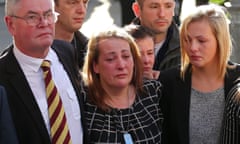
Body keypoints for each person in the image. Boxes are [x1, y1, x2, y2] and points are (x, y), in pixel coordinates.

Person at [1, 0, 88, 143]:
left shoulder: (67, 52)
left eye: (49, 15)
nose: (44, 23)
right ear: (11, 24)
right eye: (32, 17)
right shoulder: (3, 76)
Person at [159, 4, 240, 144]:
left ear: (220, 40)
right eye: (187, 40)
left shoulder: (237, 80)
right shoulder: (168, 81)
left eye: (201, 41)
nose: (192, 48)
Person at [82, 26, 163, 143]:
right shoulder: (84, 101)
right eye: (110, 59)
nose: (121, 65)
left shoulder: (153, 92)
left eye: (126, 56)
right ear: (95, 66)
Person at [132, 0, 180, 71]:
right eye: (154, 7)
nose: (162, 14)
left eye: (168, 6)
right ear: (137, 10)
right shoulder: (120, 45)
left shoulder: (188, 46)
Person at [54, 0, 89, 69]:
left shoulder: (89, 50)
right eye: (73, 3)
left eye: (85, 2)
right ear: (53, 5)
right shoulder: (33, 50)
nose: (82, 10)